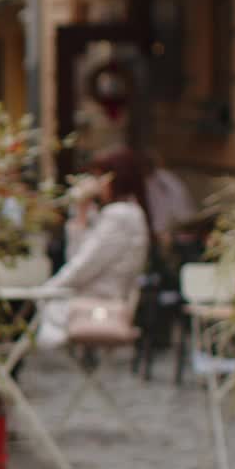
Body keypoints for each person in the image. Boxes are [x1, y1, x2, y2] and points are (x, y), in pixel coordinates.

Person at [38, 147, 151, 350]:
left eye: (99, 177)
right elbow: (80, 258)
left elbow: (84, 264)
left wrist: (47, 290)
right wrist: (81, 214)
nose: (96, 184)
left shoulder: (120, 216)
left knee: (29, 316)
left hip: (97, 305)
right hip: (97, 301)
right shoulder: (126, 213)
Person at [142, 152, 197, 247]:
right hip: (158, 233)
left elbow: (178, 209)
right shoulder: (147, 181)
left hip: (172, 231)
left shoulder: (165, 180)